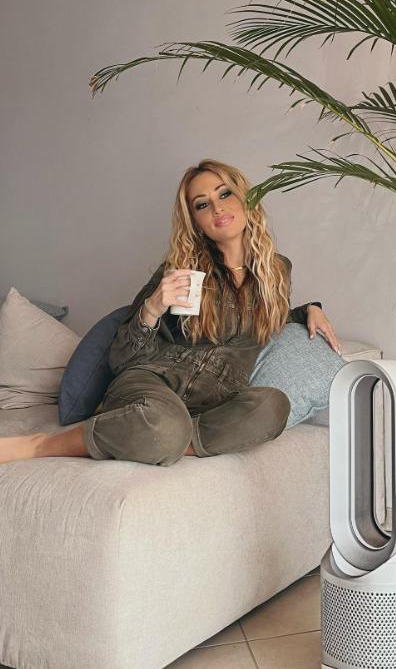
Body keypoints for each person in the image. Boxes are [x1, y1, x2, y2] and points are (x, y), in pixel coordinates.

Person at [0, 159, 340, 466]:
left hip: (213, 400)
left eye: (224, 194)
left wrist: (309, 310)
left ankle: (160, 437)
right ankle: (40, 444)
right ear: (197, 222)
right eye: (202, 204)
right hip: (153, 381)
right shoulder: (181, 268)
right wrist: (153, 306)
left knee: (272, 406)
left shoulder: (276, 271)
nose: (217, 208)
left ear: (245, 198)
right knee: (164, 423)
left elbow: (265, 318)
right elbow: (121, 358)